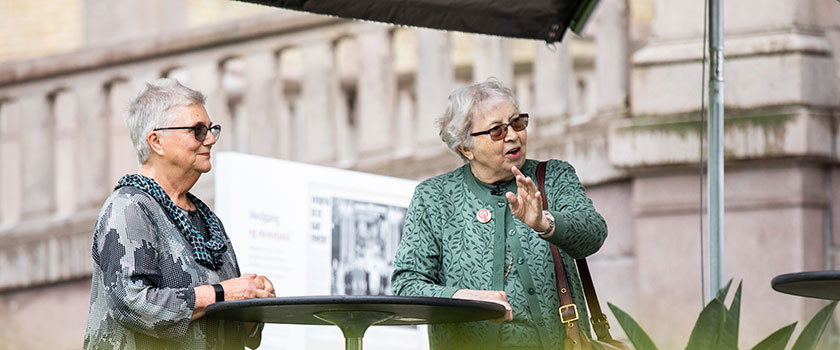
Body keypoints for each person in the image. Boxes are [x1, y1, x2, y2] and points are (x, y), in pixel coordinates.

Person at [391, 78, 607, 350]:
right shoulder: (434, 197)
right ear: (465, 148)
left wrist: (545, 223)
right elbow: (407, 284)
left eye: (517, 123)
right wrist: (462, 297)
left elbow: (594, 235)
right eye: (496, 130)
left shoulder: (553, 176)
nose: (513, 135)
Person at [84, 78, 275, 350]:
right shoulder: (128, 207)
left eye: (211, 129)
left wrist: (253, 304)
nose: (209, 139)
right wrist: (224, 293)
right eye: (197, 130)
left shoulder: (207, 220)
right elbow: (132, 304)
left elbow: (233, 325)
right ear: (156, 141)